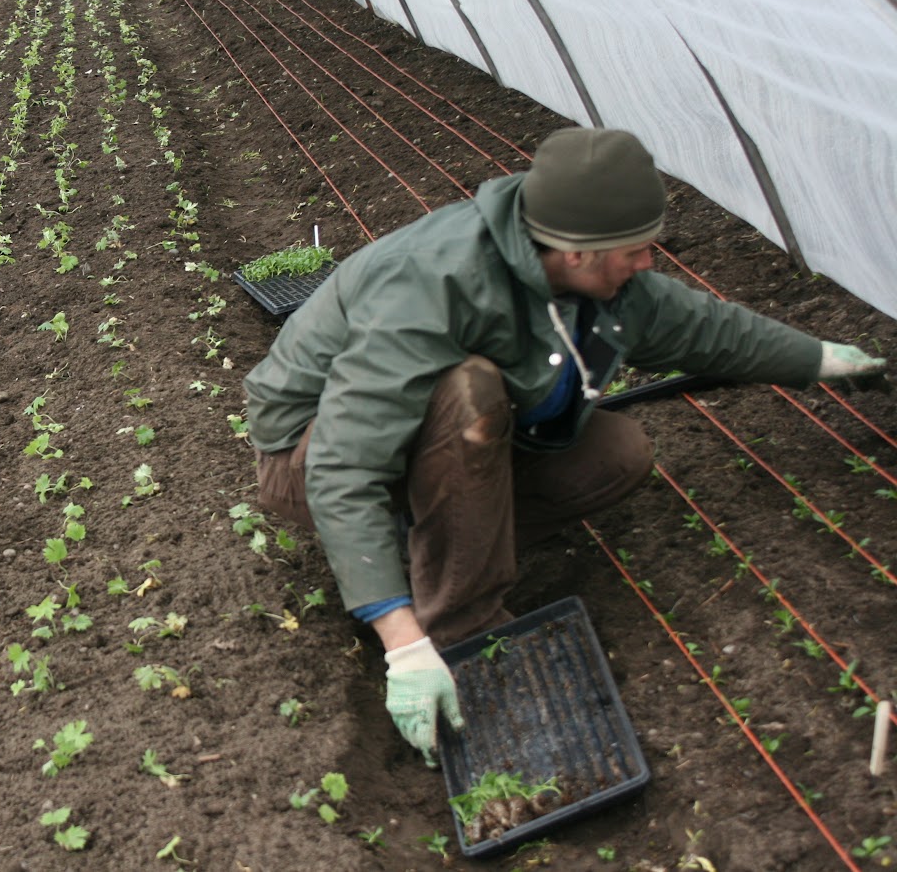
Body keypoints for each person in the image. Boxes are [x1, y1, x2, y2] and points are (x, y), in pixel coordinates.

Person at [241, 127, 887, 766]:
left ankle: (426, 553)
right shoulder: (436, 280)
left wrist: (821, 359)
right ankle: (456, 630)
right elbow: (345, 464)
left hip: (408, 445)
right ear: (576, 254)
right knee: (469, 392)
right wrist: (403, 646)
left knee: (616, 454)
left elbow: (705, 328)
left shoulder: (596, 275)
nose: (647, 263)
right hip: (308, 454)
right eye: (636, 250)